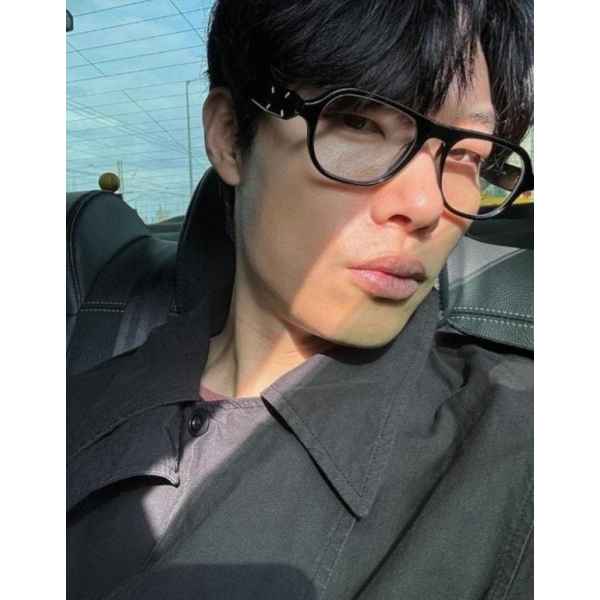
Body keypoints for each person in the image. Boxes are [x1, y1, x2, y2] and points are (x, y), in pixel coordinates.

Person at [67, 1, 534, 598]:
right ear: (230, 138)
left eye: (468, 153)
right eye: (359, 121)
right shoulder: (73, 405)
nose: (424, 206)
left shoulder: (517, 452)